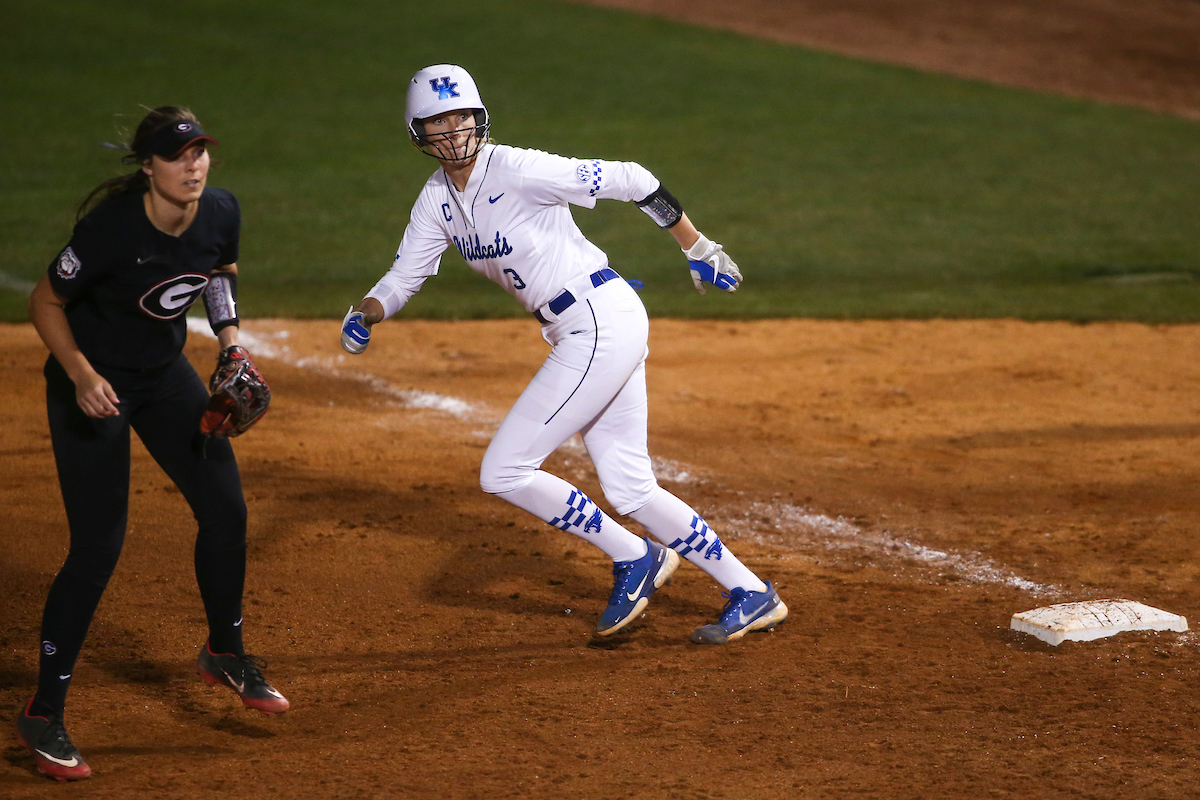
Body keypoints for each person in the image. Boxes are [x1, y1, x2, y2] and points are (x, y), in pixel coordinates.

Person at [342, 65, 789, 645]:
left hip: (599, 321)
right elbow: (407, 272)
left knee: (503, 471)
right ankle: (752, 592)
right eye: (437, 121)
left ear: (478, 119)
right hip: (589, 326)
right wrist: (369, 309)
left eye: (460, 117)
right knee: (630, 489)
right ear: (418, 131)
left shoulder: (519, 168)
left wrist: (696, 244)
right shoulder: (436, 202)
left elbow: (634, 178)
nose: (452, 131)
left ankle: (634, 556)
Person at [17, 106, 287, 783]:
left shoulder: (220, 210)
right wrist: (80, 376)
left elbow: (218, 273)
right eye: (178, 155)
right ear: (148, 167)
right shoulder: (111, 230)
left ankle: (224, 653)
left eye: (200, 152)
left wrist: (229, 344)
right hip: (95, 383)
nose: (193, 165)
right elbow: (45, 302)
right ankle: (43, 711)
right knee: (99, 545)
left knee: (226, 510)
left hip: (164, 376)